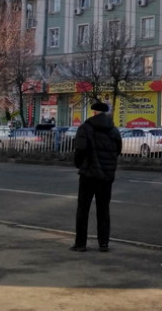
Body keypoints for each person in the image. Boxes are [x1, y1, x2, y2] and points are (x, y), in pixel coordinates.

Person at [70, 102, 122, 252]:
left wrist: (80, 165)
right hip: (106, 176)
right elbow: (117, 150)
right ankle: (103, 243)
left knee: (83, 209)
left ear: (93, 112)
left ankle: (81, 243)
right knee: (103, 209)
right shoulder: (114, 130)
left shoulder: (85, 128)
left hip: (88, 174)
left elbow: (80, 150)